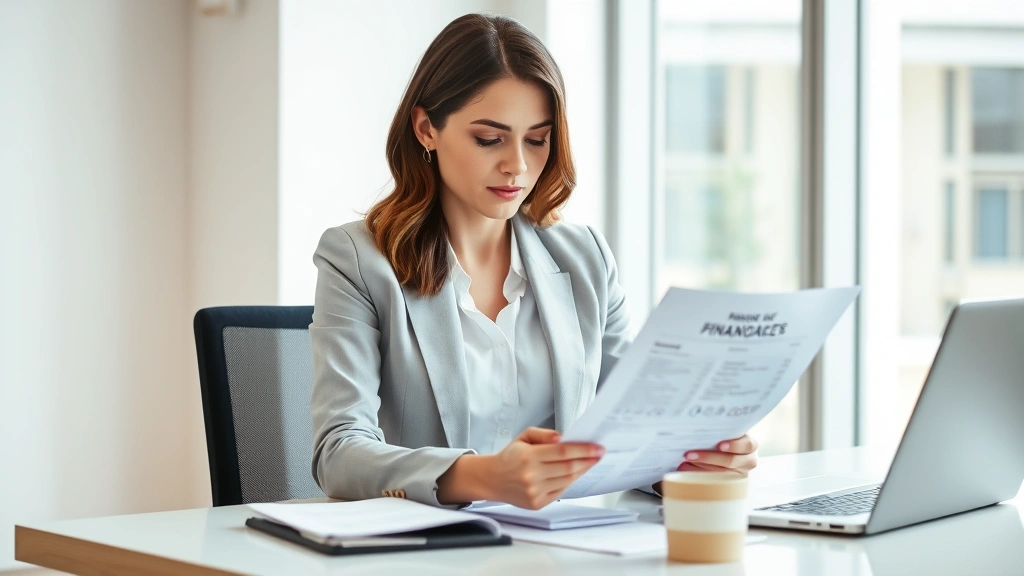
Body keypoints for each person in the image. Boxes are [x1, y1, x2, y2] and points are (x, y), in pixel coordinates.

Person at [309, 13, 757, 510]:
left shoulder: (585, 256)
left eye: (537, 139)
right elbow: (338, 452)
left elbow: (633, 426)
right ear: (426, 128)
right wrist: (481, 476)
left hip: (566, 547)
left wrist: (684, 463)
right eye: (489, 138)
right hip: (431, 553)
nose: (517, 166)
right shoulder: (358, 260)